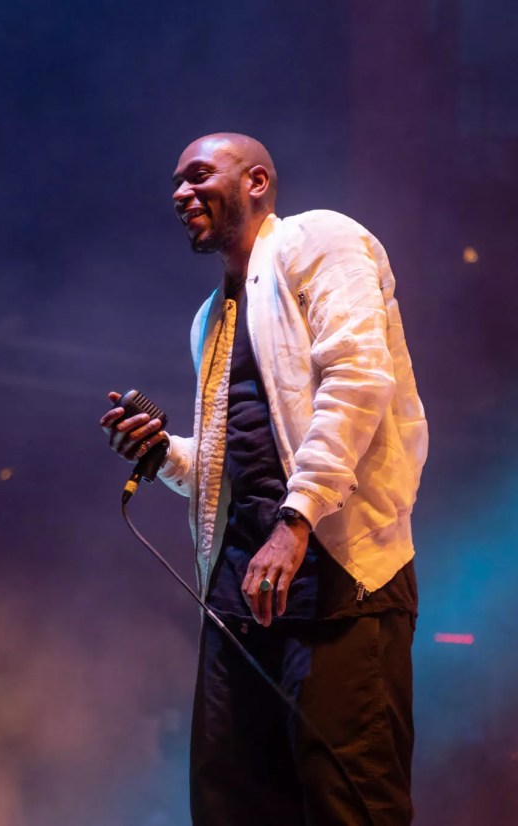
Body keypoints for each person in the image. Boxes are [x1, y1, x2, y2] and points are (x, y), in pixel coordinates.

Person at [99, 133, 428, 825]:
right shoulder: (209, 320)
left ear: (255, 181)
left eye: (196, 176)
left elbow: (358, 382)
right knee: (230, 801)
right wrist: (164, 456)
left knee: (350, 801)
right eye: (175, 183)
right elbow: (234, 467)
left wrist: (295, 520)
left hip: (338, 577)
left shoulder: (322, 241)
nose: (179, 194)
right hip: (240, 591)